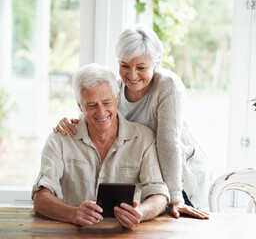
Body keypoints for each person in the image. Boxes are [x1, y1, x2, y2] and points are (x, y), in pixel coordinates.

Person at [54, 25, 210, 219]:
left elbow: (168, 142)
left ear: (156, 63)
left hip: (180, 179)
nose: (132, 75)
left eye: (141, 67)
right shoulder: (117, 90)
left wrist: (176, 197)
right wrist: (73, 121)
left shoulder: (168, 86)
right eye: (125, 65)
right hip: (154, 183)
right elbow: (101, 116)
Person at [32, 63, 170, 228]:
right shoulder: (60, 139)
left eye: (106, 102)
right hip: (73, 233)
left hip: (123, 234)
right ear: (79, 106)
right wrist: (73, 213)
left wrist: (141, 212)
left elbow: (159, 194)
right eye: (91, 105)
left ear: (117, 98)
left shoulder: (144, 139)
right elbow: (40, 198)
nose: (101, 112)